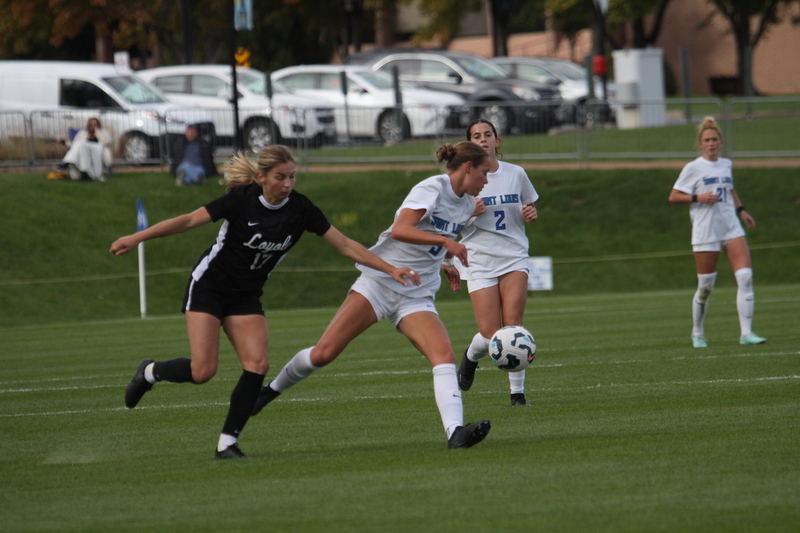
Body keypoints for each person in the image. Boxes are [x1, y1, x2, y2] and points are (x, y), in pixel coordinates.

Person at [110, 145, 417, 459]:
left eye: (292, 177)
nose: (287, 184)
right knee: (203, 371)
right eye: (280, 177)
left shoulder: (300, 209)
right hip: (210, 287)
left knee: (257, 365)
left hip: (245, 295)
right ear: (261, 177)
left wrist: (390, 268)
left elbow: (345, 245)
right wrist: (137, 238)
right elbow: (188, 221)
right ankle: (149, 372)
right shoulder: (241, 200)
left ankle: (227, 443)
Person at [251, 142, 493, 449]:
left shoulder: (469, 203)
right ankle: (269, 392)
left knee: (443, 356)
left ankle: (455, 433)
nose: (486, 179)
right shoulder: (432, 188)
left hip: (416, 292)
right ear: (468, 167)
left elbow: (439, 238)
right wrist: (446, 244)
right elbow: (401, 229)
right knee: (323, 353)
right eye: (484, 172)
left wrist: (446, 263)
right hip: (380, 281)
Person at [444, 120, 539, 406]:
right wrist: (469, 213)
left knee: (513, 326)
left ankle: (517, 394)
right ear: (471, 145)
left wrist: (529, 213)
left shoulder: (516, 173)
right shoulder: (464, 177)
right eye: (476, 136)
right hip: (479, 260)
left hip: (513, 256)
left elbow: (528, 206)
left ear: (498, 141)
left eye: (488, 135)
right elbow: (447, 222)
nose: (483, 139)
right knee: (489, 334)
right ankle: (471, 357)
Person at [669, 116, 766, 348]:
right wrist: (697, 197)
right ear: (700, 143)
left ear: (721, 142)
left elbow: (729, 189)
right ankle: (697, 332)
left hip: (730, 227)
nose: (711, 143)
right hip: (706, 231)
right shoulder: (693, 168)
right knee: (705, 287)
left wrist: (741, 210)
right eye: (707, 140)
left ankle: (746, 333)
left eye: (715, 139)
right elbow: (673, 196)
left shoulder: (726, 164)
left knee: (745, 277)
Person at [61, 117, 113, 181]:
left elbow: (106, 142)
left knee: (81, 144)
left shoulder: (103, 132)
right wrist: (65, 142)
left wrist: (96, 132)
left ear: (98, 125)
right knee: (80, 143)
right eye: (91, 124)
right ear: (88, 125)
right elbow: (74, 143)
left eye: (95, 124)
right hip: (84, 150)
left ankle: (67, 162)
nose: (93, 126)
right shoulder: (83, 132)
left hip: (97, 149)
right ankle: (77, 168)